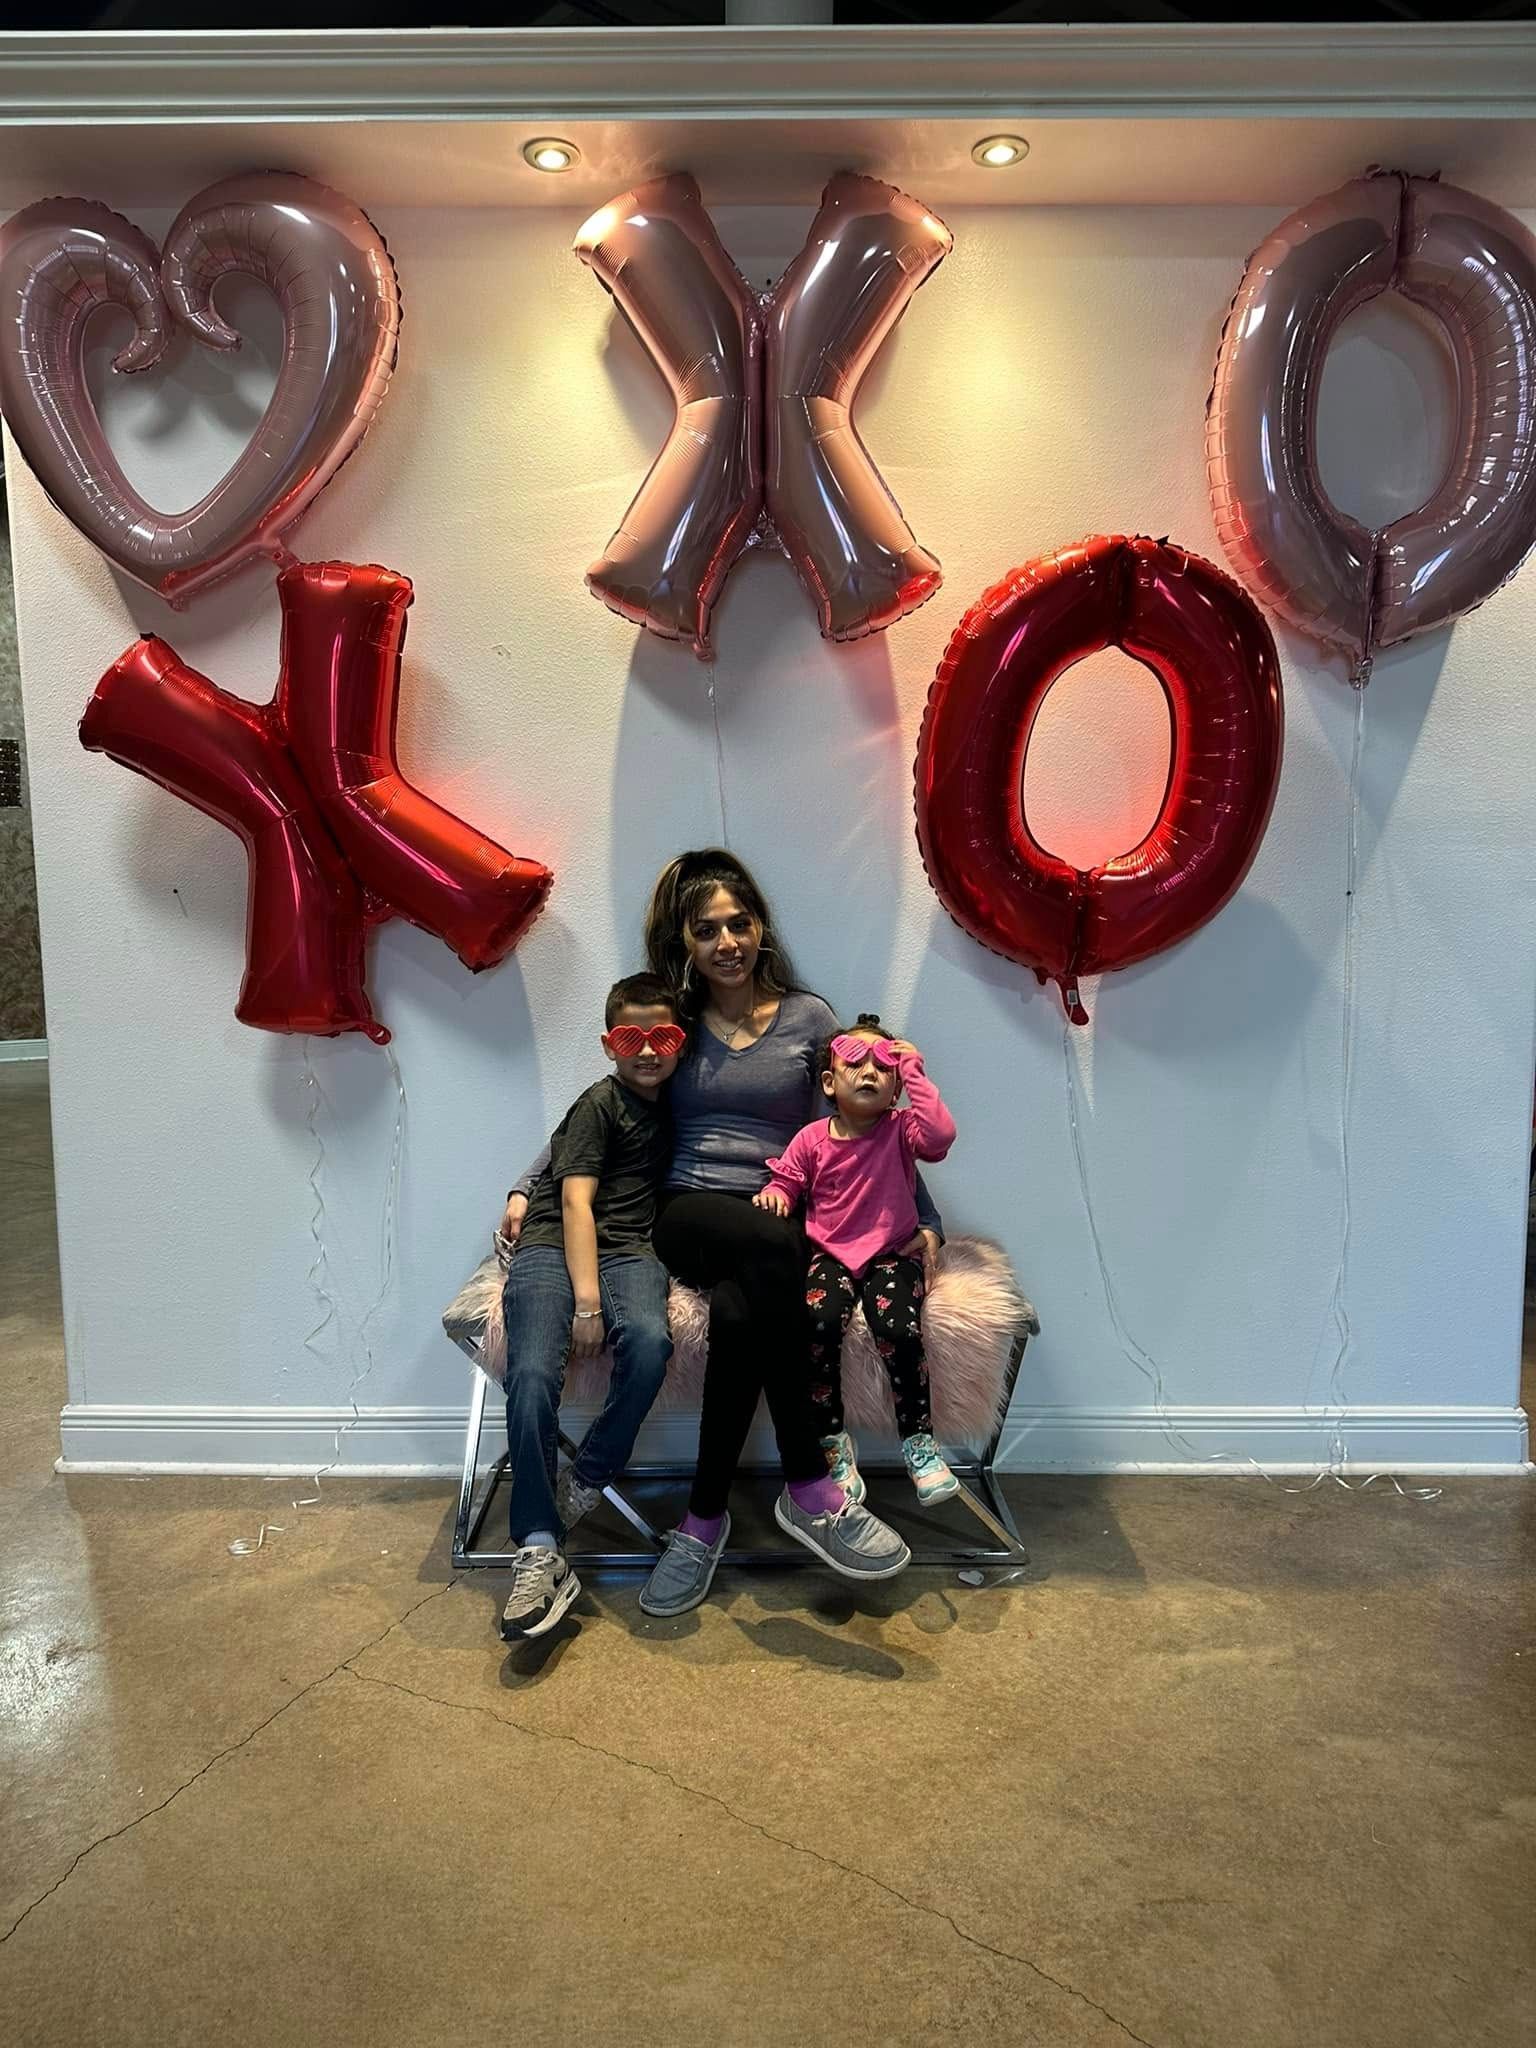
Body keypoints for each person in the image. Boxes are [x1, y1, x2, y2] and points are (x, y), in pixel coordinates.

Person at [502, 850, 943, 1618]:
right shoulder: (672, 1022)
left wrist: (924, 1216)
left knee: (746, 1311)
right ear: (685, 943)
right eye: (706, 929)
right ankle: (810, 1486)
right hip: (687, 1212)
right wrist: (527, 1181)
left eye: (739, 922)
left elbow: (863, 1126)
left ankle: (701, 1523)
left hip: (779, 1213)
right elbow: (605, 1102)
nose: (727, 941)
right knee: (772, 1251)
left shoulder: (811, 1020)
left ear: (762, 927)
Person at [498, 973, 686, 1642]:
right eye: (631, 1037)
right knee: (529, 1378)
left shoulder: (680, 1102)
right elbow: (574, 1202)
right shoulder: (598, 1103)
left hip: (633, 1250)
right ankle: (540, 1544)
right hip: (555, 1244)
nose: (646, 1050)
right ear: (609, 1043)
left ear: (681, 1041)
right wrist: (584, 1304)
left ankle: (588, 1477)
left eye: (661, 1036)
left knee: (650, 1344)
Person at [755, 1014, 960, 1508]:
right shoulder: (811, 1138)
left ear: (894, 1087)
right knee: (817, 1326)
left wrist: (913, 1068)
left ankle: (919, 1443)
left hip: (893, 1254)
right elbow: (789, 1180)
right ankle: (832, 1443)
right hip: (829, 1254)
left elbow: (941, 1137)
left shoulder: (902, 1130)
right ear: (829, 1081)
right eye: (855, 1061)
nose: (870, 1071)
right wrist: (776, 1193)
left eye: (883, 1064)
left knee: (898, 1329)